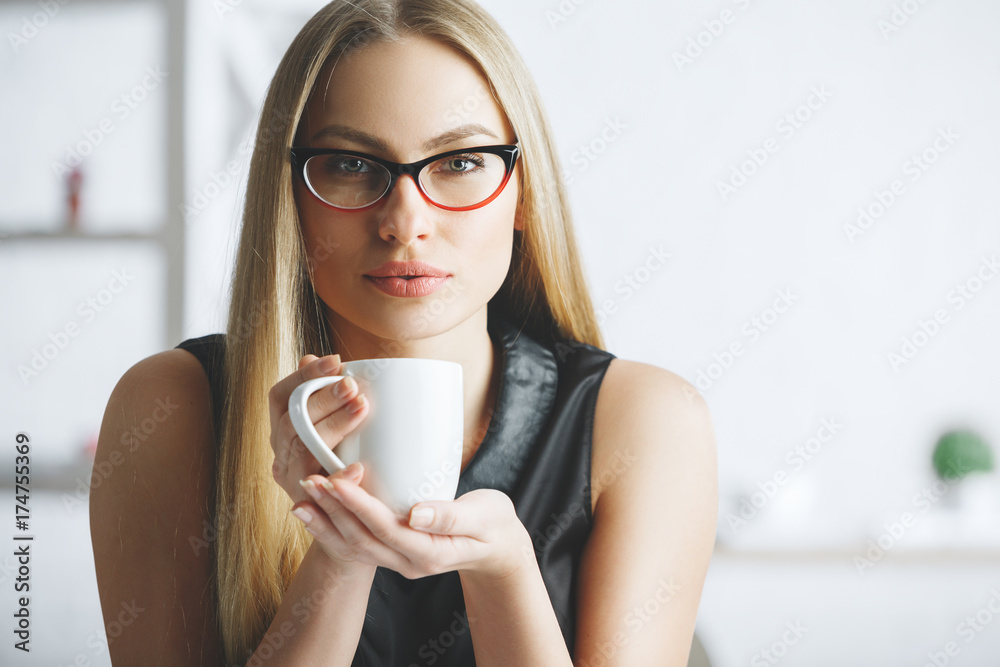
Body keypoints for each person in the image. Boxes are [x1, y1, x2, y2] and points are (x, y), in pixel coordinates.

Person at [89, 0, 718, 665]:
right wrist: (339, 555)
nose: (405, 221)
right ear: (291, 201)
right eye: (353, 166)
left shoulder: (646, 420)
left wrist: (505, 572)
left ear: (524, 193)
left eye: (460, 161)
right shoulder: (172, 408)